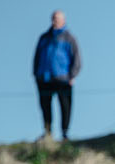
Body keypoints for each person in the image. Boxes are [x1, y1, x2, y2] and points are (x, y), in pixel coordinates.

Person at [33, 10, 81, 141]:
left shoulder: (70, 38)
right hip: (44, 78)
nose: (55, 21)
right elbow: (36, 57)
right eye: (53, 18)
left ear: (63, 21)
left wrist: (72, 76)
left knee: (65, 106)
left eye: (58, 19)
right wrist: (36, 74)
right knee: (45, 107)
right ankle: (47, 133)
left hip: (63, 79)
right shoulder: (44, 38)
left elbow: (77, 59)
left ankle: (65, 134)